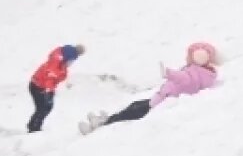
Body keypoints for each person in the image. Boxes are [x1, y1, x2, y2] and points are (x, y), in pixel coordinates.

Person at [80, 43, 219, 134]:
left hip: (162, 102)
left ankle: (103, 125)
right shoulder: (200, 72)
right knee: (134, 105)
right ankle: (108, 118)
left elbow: (184, 78)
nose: (186, 57)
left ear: (197, 57)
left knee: (132, 112)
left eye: (189, 55)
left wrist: (168, 73)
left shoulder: (194, 73)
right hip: (160, 98)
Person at [27, 44, 86, 132]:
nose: (71, 63)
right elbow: (50, 77)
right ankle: (33, 128)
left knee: (47, 107)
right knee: (43, 108)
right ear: (68, 58)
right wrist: (49, 92)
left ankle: (33, 125)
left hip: (43, 87)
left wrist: (50, 91)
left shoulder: (62, 63)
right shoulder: (55, 62)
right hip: (37, 86)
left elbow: (56, 79)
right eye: (71, 61)